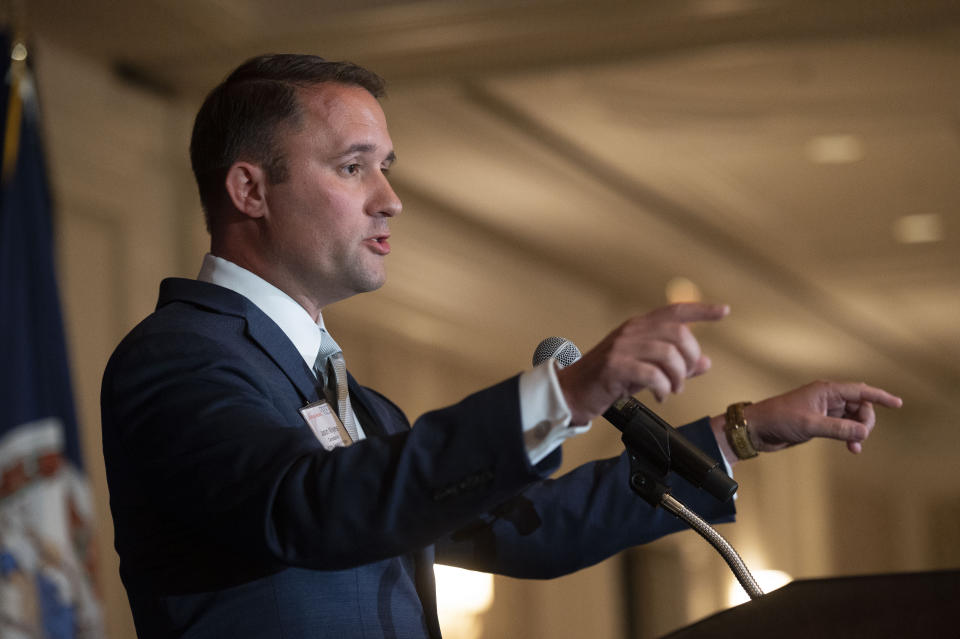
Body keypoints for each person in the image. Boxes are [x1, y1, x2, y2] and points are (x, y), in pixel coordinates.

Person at [100, 54, 902, 639]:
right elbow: (304, 504)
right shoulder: (179, 359)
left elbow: (529, 526)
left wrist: (741, 432)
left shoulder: (363, 407)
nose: (391, 199)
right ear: (249, 189)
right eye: (354, 168)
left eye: (387, 167)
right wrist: (567, 392)